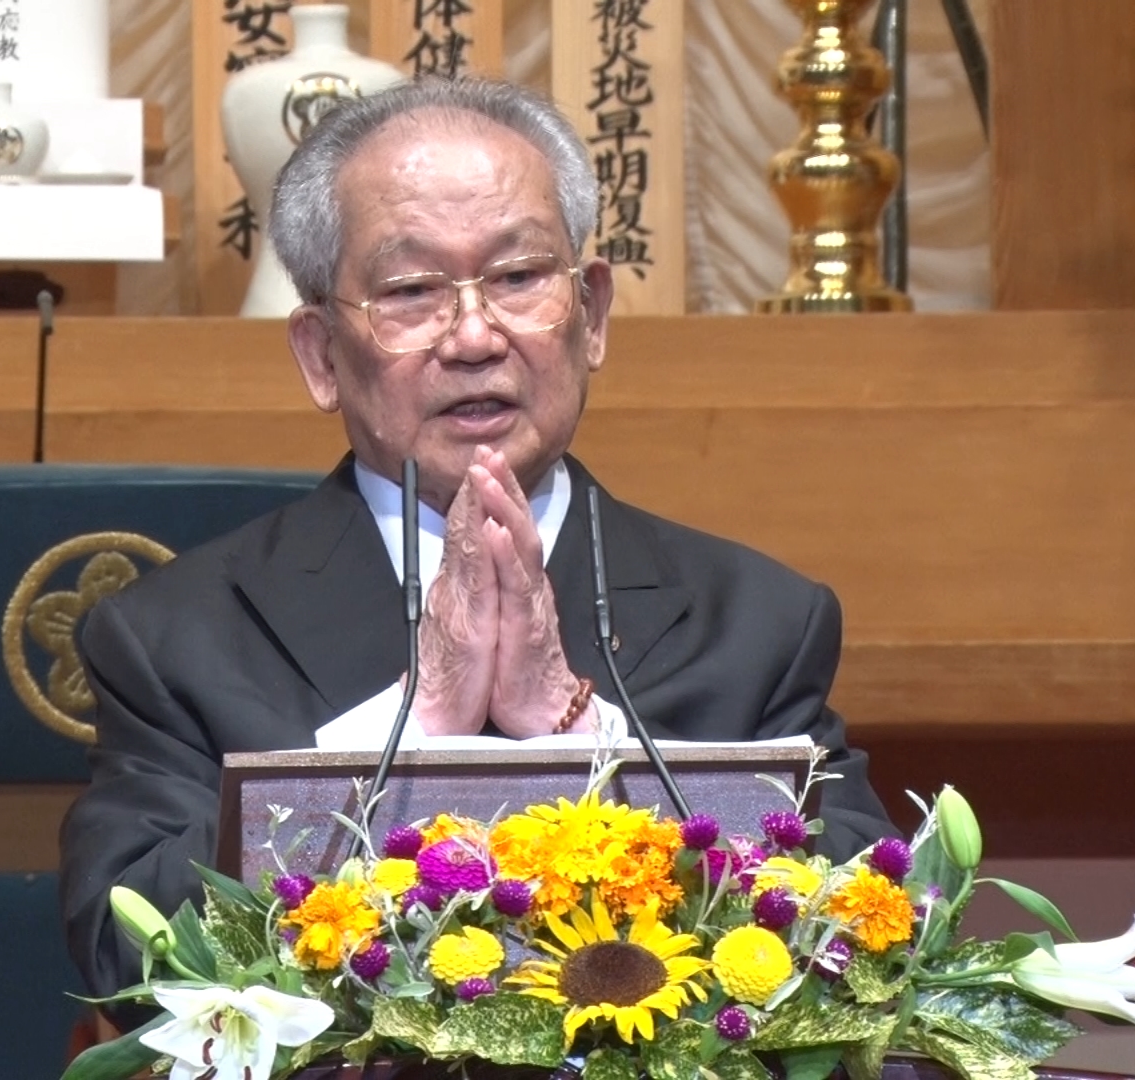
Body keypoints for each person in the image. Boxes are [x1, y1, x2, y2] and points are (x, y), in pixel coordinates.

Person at [57, 77, 895, 1001]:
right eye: (411, 290)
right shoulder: (176, 638)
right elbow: (129, 948)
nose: (473, 336)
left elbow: (867, 930)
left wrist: (583, 733)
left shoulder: (757, 623)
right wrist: (410, 730)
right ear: (321, 355)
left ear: (593, 315)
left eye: (519, 278)